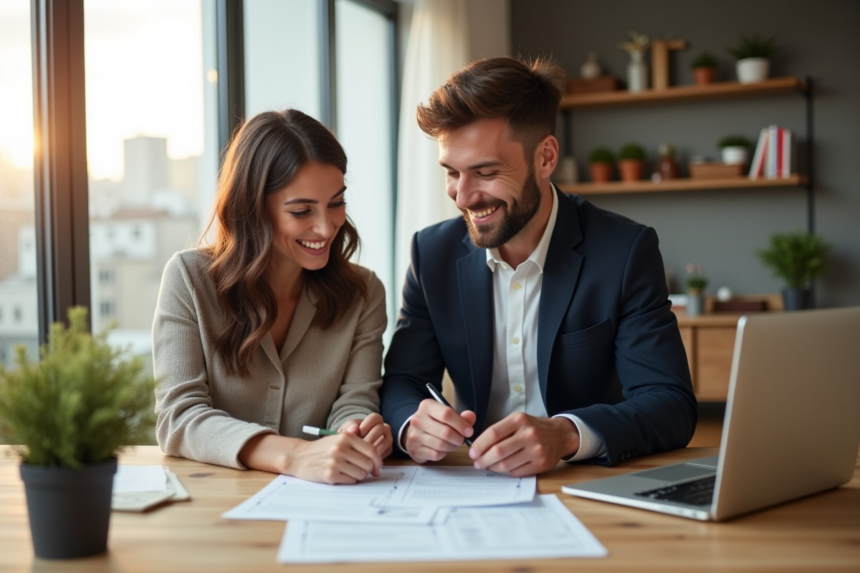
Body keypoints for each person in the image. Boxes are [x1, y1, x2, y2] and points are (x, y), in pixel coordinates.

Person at [380, 57, 697, 477]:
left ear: (545, 158)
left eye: (486, 172)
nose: (463, 197)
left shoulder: (624, 251)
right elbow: (403, 381)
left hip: (585, 482)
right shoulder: (431, 253)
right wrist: (410, 425)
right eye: (452, 173)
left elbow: (669, 402)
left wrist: (566, 434)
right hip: (469, 483)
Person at [153, 109, 392, 484]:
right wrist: (295, 455)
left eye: (336, 203)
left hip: (323, 500)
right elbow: (178, 418)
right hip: (214, 505)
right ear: (254, 210)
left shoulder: (364, 293)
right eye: (301, 211)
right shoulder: (189, 280)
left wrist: (355, 431)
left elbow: (355, 400)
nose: (325, 227)